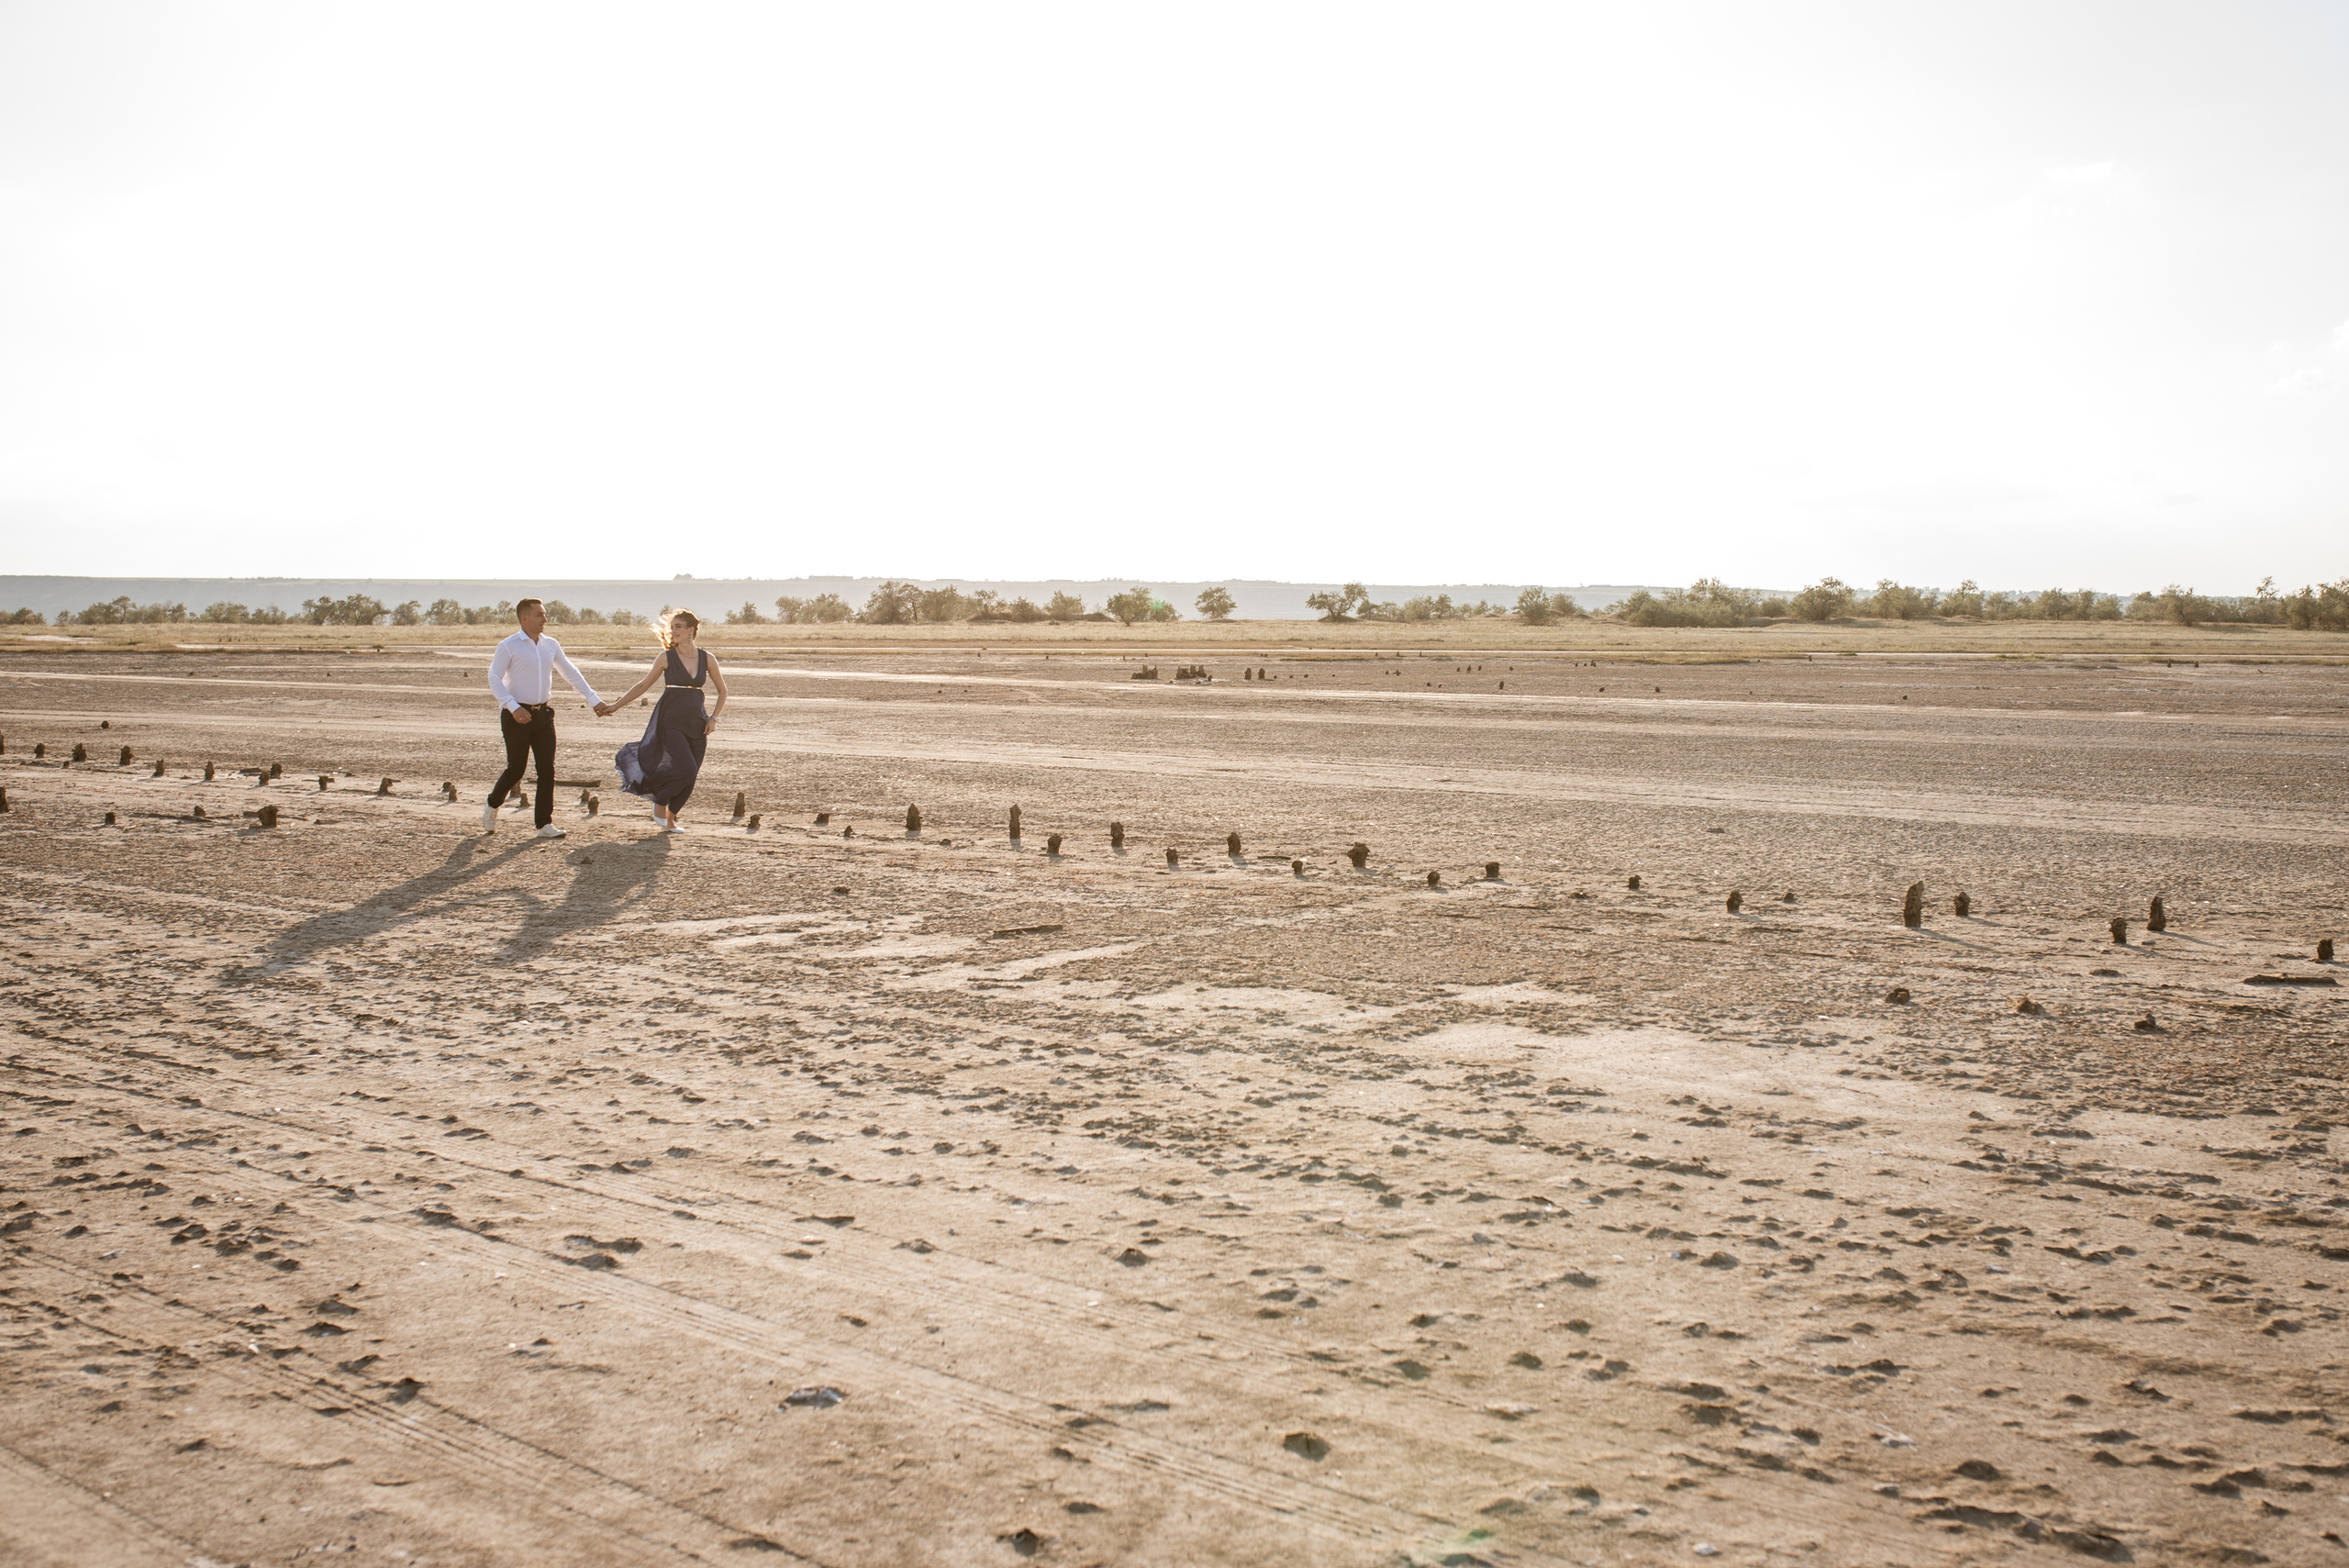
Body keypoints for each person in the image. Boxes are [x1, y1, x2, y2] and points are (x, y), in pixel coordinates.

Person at [484, 597, 604, 840]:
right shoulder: (509, 646)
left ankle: (543, 824)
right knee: (516, 770)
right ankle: (493, 803)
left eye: (544, 615)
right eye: (539, 615)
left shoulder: (551, 645)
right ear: (524, 618)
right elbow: (494, 678)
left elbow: (570, 672)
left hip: (543, 716)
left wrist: (593, 700)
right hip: (516, 715)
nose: (545, 619)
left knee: (547, 771)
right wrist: (512, 707)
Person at [599, 609, 727, 832]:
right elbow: (642, 686)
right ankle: (660, 803)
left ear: (691, 630)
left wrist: (714, 718)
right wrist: (616, 706)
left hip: (697, 722)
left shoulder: (708, 658)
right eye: (672, 627)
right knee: (686, 769)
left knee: (692, 773)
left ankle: (670, 819)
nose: (673, 631)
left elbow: (723, 691)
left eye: (678, 626)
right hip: (670, 720)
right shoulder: (666, 658)